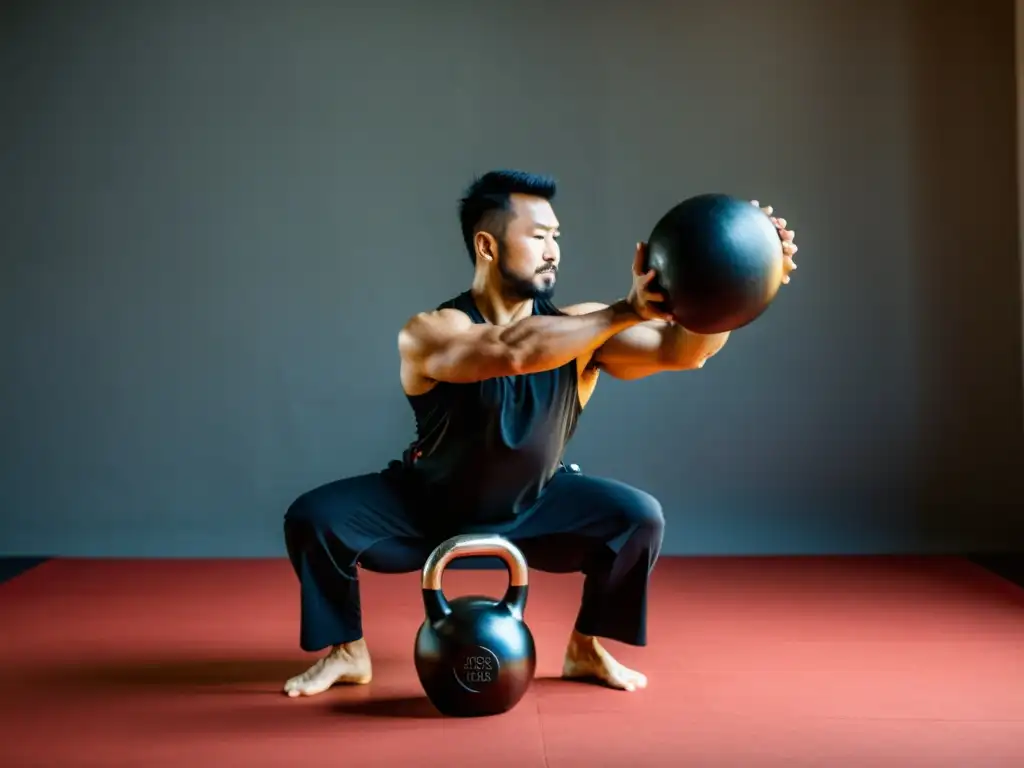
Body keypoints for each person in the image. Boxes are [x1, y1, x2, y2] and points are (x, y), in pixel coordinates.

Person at [282, 170, 798, 698]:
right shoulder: (432, 331)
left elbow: (683, 351)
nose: (553, 249)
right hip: (425, 507)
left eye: (557, 236)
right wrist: (623, 311)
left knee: (637, 518)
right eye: (537, 236)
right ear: (487, 245)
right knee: (315, 519)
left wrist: (740, 283)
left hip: (536, 507)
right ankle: (347, 652)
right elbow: (511, 352)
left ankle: (586, 648)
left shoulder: (584, 328)